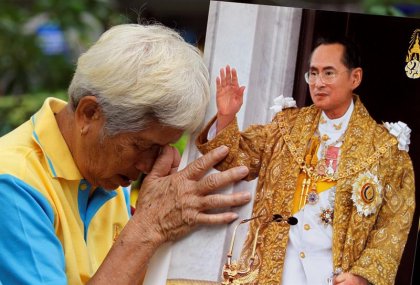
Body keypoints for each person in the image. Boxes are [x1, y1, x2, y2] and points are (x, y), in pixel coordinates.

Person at [0, 24, 252, 285]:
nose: (146, 166)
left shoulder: (103, 170)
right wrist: (150, 225)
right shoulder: (12, 184)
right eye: (142, 146)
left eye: (162, 149)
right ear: (89, 113)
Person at [196, 37, 415, 285]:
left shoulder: (385, 148)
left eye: (328, 73)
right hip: (275, 270)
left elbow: (394, 224)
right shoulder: (286, 127)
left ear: (355, 78)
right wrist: (226, 116)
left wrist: (362, 276)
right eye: (313, 74)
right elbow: (237, 161)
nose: (318, 83)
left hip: (335, 276)